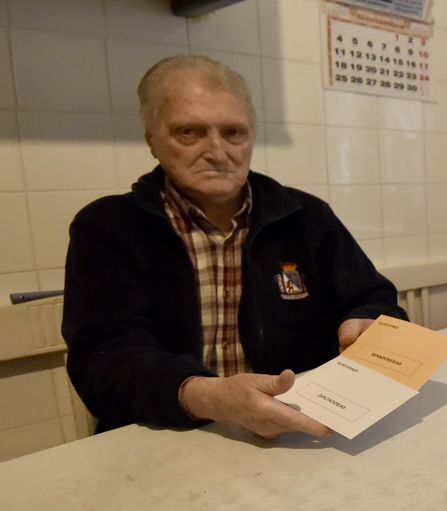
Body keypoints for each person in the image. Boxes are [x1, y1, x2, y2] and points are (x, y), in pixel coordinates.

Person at [62, 55, 406, 439]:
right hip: (162, 439)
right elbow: (103, 359)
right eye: (189, 132)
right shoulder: (109, 228)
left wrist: (367, 321)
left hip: (294, 436)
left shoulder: (306, 217)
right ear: (152, 140)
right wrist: (208, 396)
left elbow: (374, 299)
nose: (217, 151)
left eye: (233, 133)